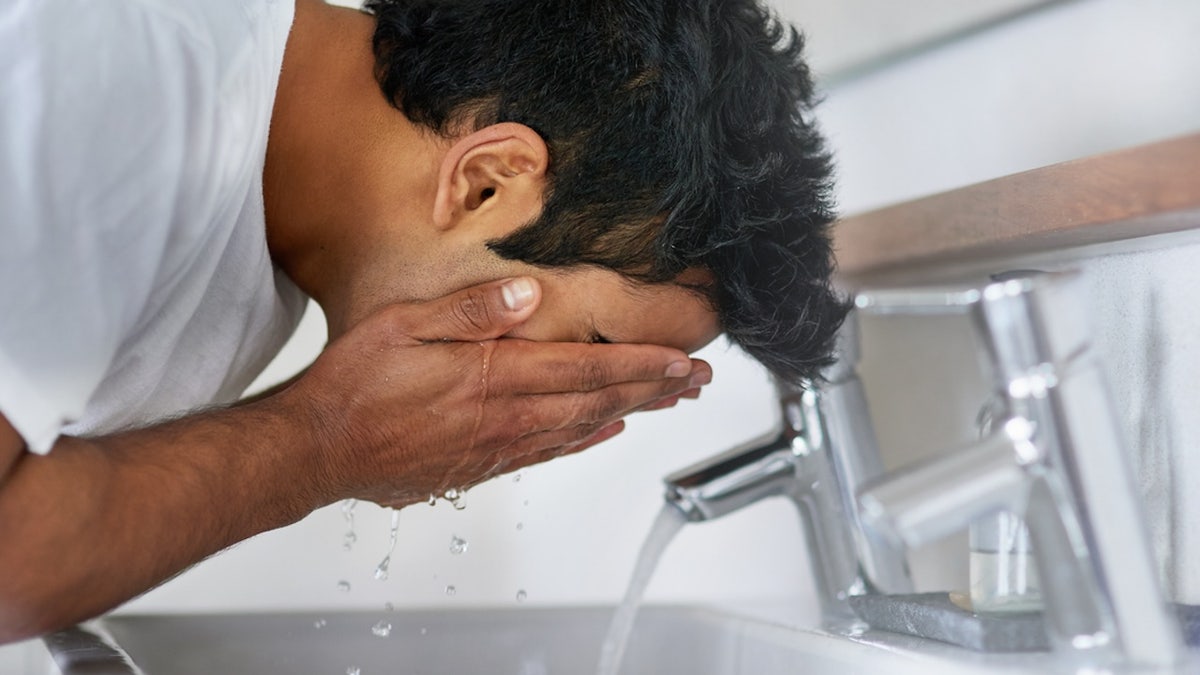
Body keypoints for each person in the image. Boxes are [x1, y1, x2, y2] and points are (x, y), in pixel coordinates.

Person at [0, 0, 845, 642]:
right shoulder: (120, 76)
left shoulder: (266, 233)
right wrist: (324, 441)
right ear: (486, 181)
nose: (555, 409)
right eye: (592, 351)